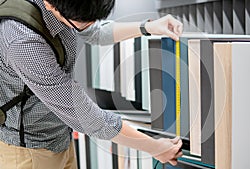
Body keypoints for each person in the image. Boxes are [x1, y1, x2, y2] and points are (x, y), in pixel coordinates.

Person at [0, 0, 183, 168]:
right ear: (49, 4)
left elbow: (94, 31)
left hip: (59, 137)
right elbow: (85, 116)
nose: (89, 25)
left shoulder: (67, 9)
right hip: (29, 151)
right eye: (82, 21)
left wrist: (149, 27)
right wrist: (154, 147)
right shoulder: (23, 40)